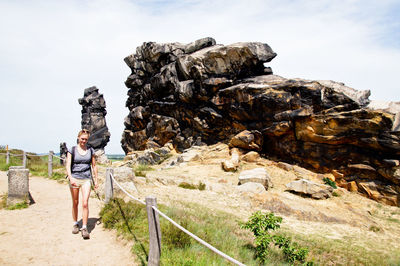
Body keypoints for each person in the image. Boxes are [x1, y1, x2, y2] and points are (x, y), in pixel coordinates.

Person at [66, 129, 98, 239]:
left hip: (86, 179)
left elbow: (94, 165)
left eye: (86, 139)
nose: (84, 141)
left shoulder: (90, 150)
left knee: (85, 203)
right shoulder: (72, 150)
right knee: (75, 202)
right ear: (78, 138)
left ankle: (84, 227)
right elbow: (68, 165)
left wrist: (96, 180)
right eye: (82, 139)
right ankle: (75, 223)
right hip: (75, 178)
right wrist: (70, 178)